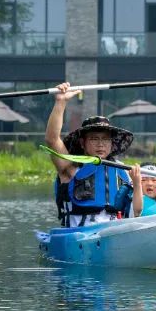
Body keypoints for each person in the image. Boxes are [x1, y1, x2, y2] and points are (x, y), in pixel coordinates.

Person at [45, 82, 135, 227]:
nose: (101, 144)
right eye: (94, 139)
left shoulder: (124, 170)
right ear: (82, 143)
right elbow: (52, 139)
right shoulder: (71, 168)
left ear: (112, 143)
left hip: (116, 232)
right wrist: (60, 102)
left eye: (105, 139)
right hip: (80, 234)